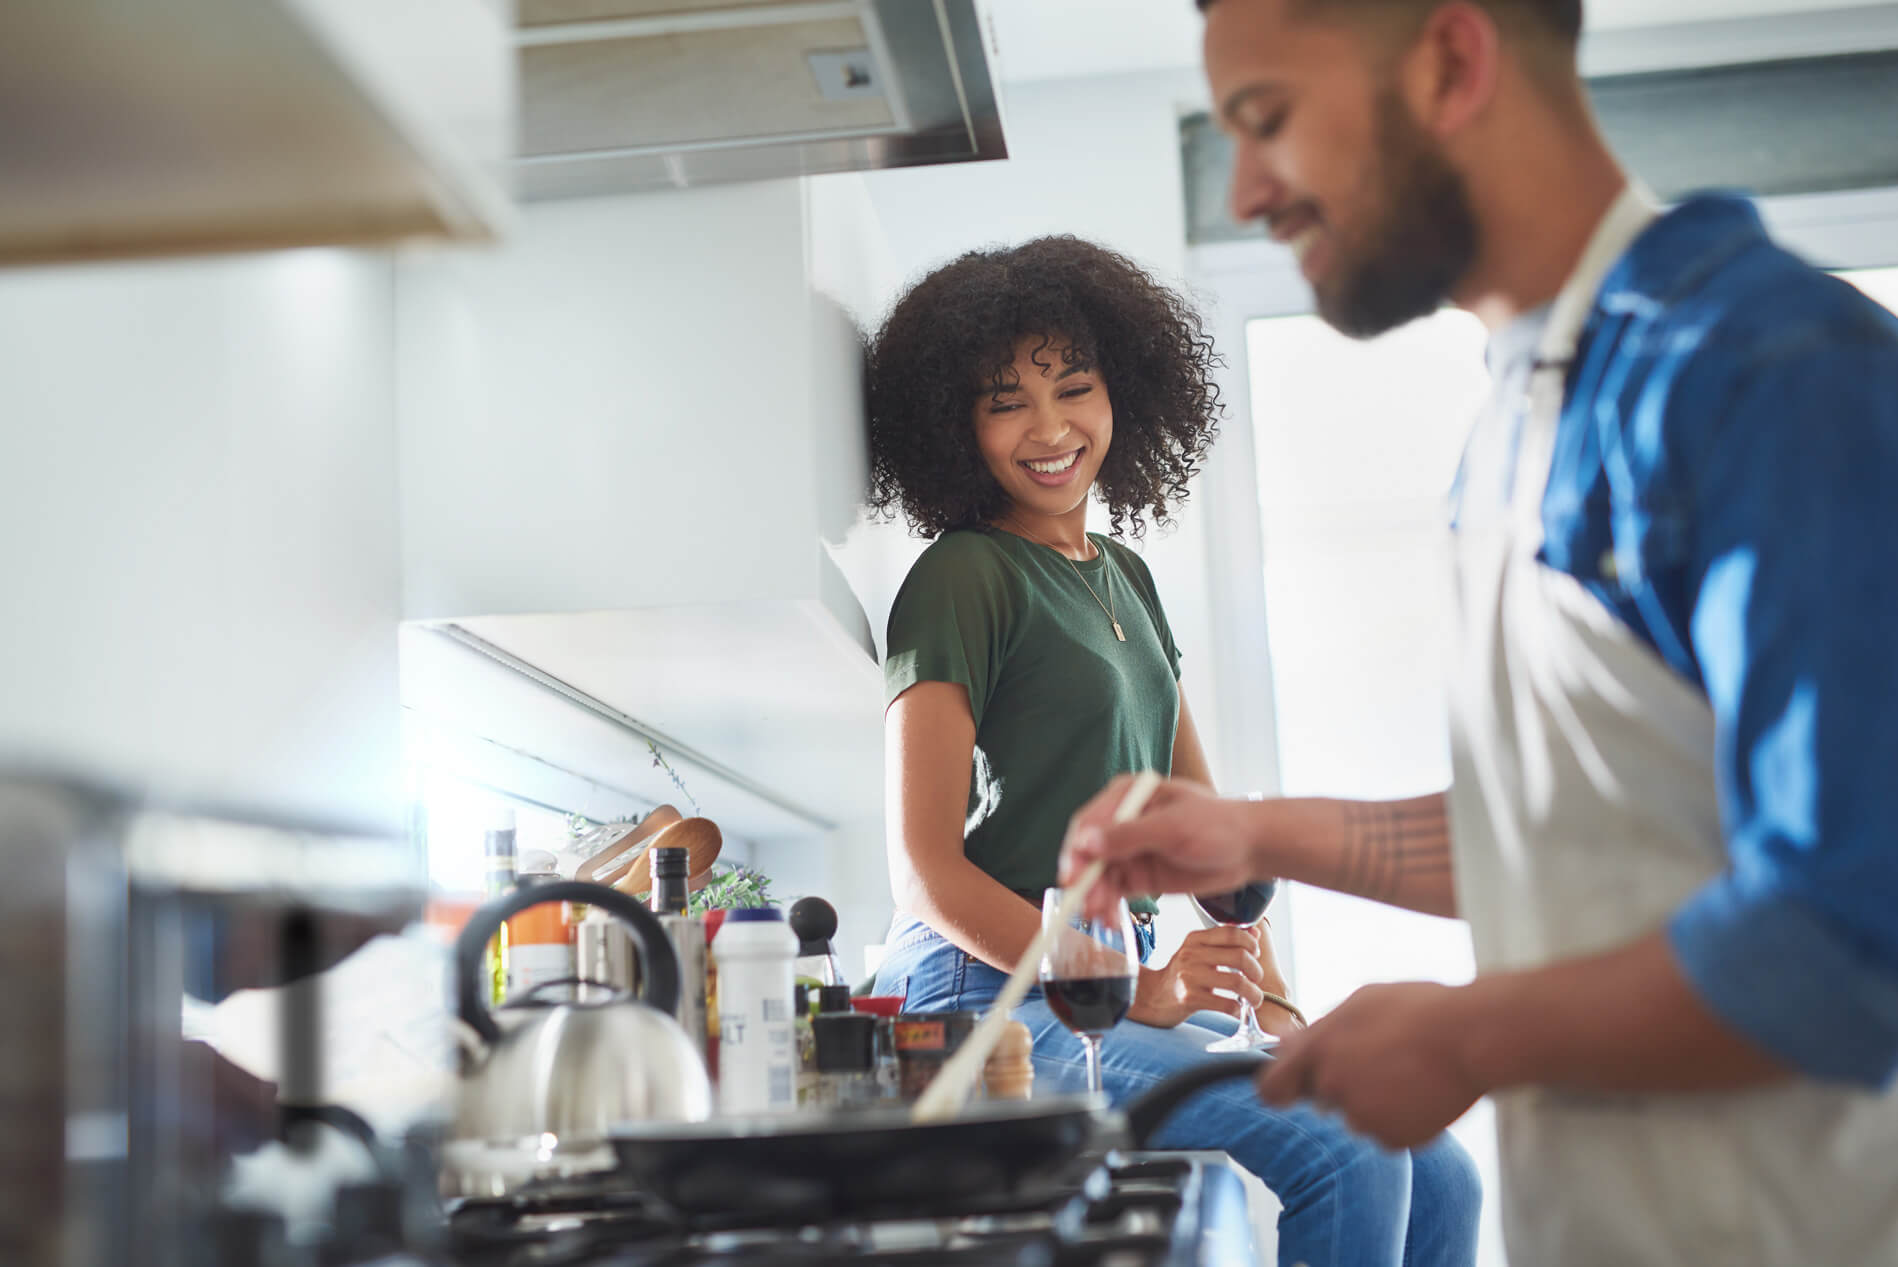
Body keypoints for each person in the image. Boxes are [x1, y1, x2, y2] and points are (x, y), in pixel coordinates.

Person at [1062, 0, 1898, 1262]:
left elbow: (1854, 922)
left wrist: (1465, 1035)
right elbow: (1592, 833)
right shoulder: (1516, 418)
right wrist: (1253, 832)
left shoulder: (1770, 375)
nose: (1243, 192)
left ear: (1451, 61)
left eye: (1267, 121)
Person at [865, 234, 1481, 1267]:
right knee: (1347, 1153)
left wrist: (1279, 1007)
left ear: (1125, 393)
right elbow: (923, 872)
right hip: (991, 997)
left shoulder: (1124, 577)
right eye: (1003, 400)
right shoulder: (961, 576)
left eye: (1073, 387)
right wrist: (1126, 984)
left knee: (1438, 1162)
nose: (1049, 428)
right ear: (953, 425)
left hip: (1096, 985)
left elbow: (1209, 838)